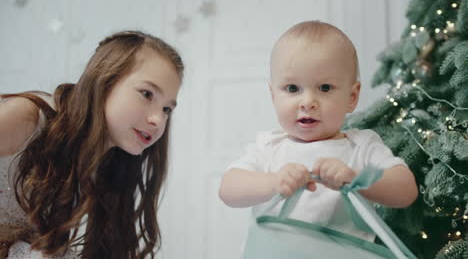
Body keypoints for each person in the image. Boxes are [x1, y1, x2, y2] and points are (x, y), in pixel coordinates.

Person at [218, 21, 418, 244]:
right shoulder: (268, 147)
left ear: (352, 97)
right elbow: (228, 189)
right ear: (274, 95)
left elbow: (406, 190)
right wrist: (274, 183)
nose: (308, 102)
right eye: (293, 88)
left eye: (325, 88)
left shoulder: (362, 147)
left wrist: (356, 178)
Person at [0, 30, 184, 258]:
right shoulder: (29, 118)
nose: (158, 120)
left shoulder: (106, 165)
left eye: (167, 109)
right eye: (147, 94)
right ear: (104, 81)